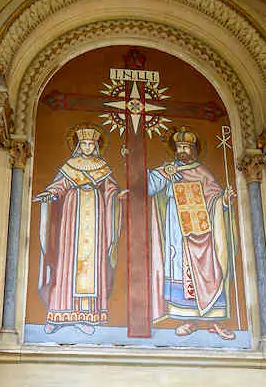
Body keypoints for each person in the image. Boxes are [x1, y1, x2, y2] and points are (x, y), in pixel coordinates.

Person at [33, 124, 127, 335]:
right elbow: (59, 186)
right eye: (83, 143)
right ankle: (58, 314)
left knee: (92, 266)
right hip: (72, 218)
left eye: (90, 144)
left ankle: (86, 316)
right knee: (67, 263)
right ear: (78, 145)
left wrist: (116, 197)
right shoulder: (70, 165)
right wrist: (50, 194)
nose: (87, 147)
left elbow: (110, 189)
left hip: (96, 217)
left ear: (96, 146)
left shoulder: (102, 166)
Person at [148, 126, 237, 339]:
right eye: (180, 146)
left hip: (202, 230)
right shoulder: (168, 169)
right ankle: (188, 320)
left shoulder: (202, 171)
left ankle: (215, 321)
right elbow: (149, 187)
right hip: (177, 228)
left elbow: (214, 195)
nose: (183, 151)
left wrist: (223, 199)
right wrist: (158, 173)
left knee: (209, 270)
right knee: (180, 270)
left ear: (193, 149)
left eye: (187, 147)